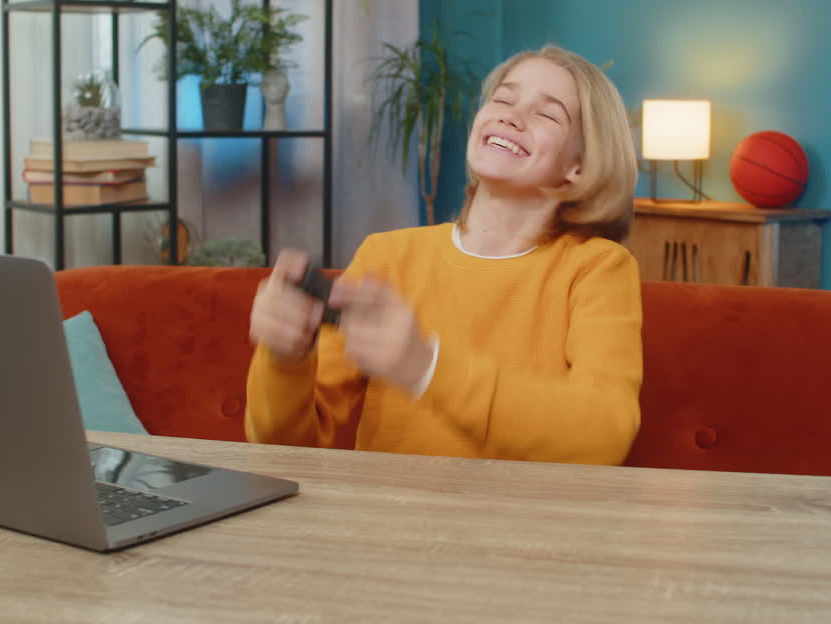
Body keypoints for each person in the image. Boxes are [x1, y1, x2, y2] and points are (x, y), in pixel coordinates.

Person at [245, 44, 642, 465]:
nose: (511, 116)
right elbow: (282, 448)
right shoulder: (387, 255)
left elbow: (604, 438)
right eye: (503, 99)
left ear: (579, 167)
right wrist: (284, 361)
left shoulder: (599, 268)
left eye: (547, 114)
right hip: (391, 505)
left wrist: (427, 367)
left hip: (520, 509)